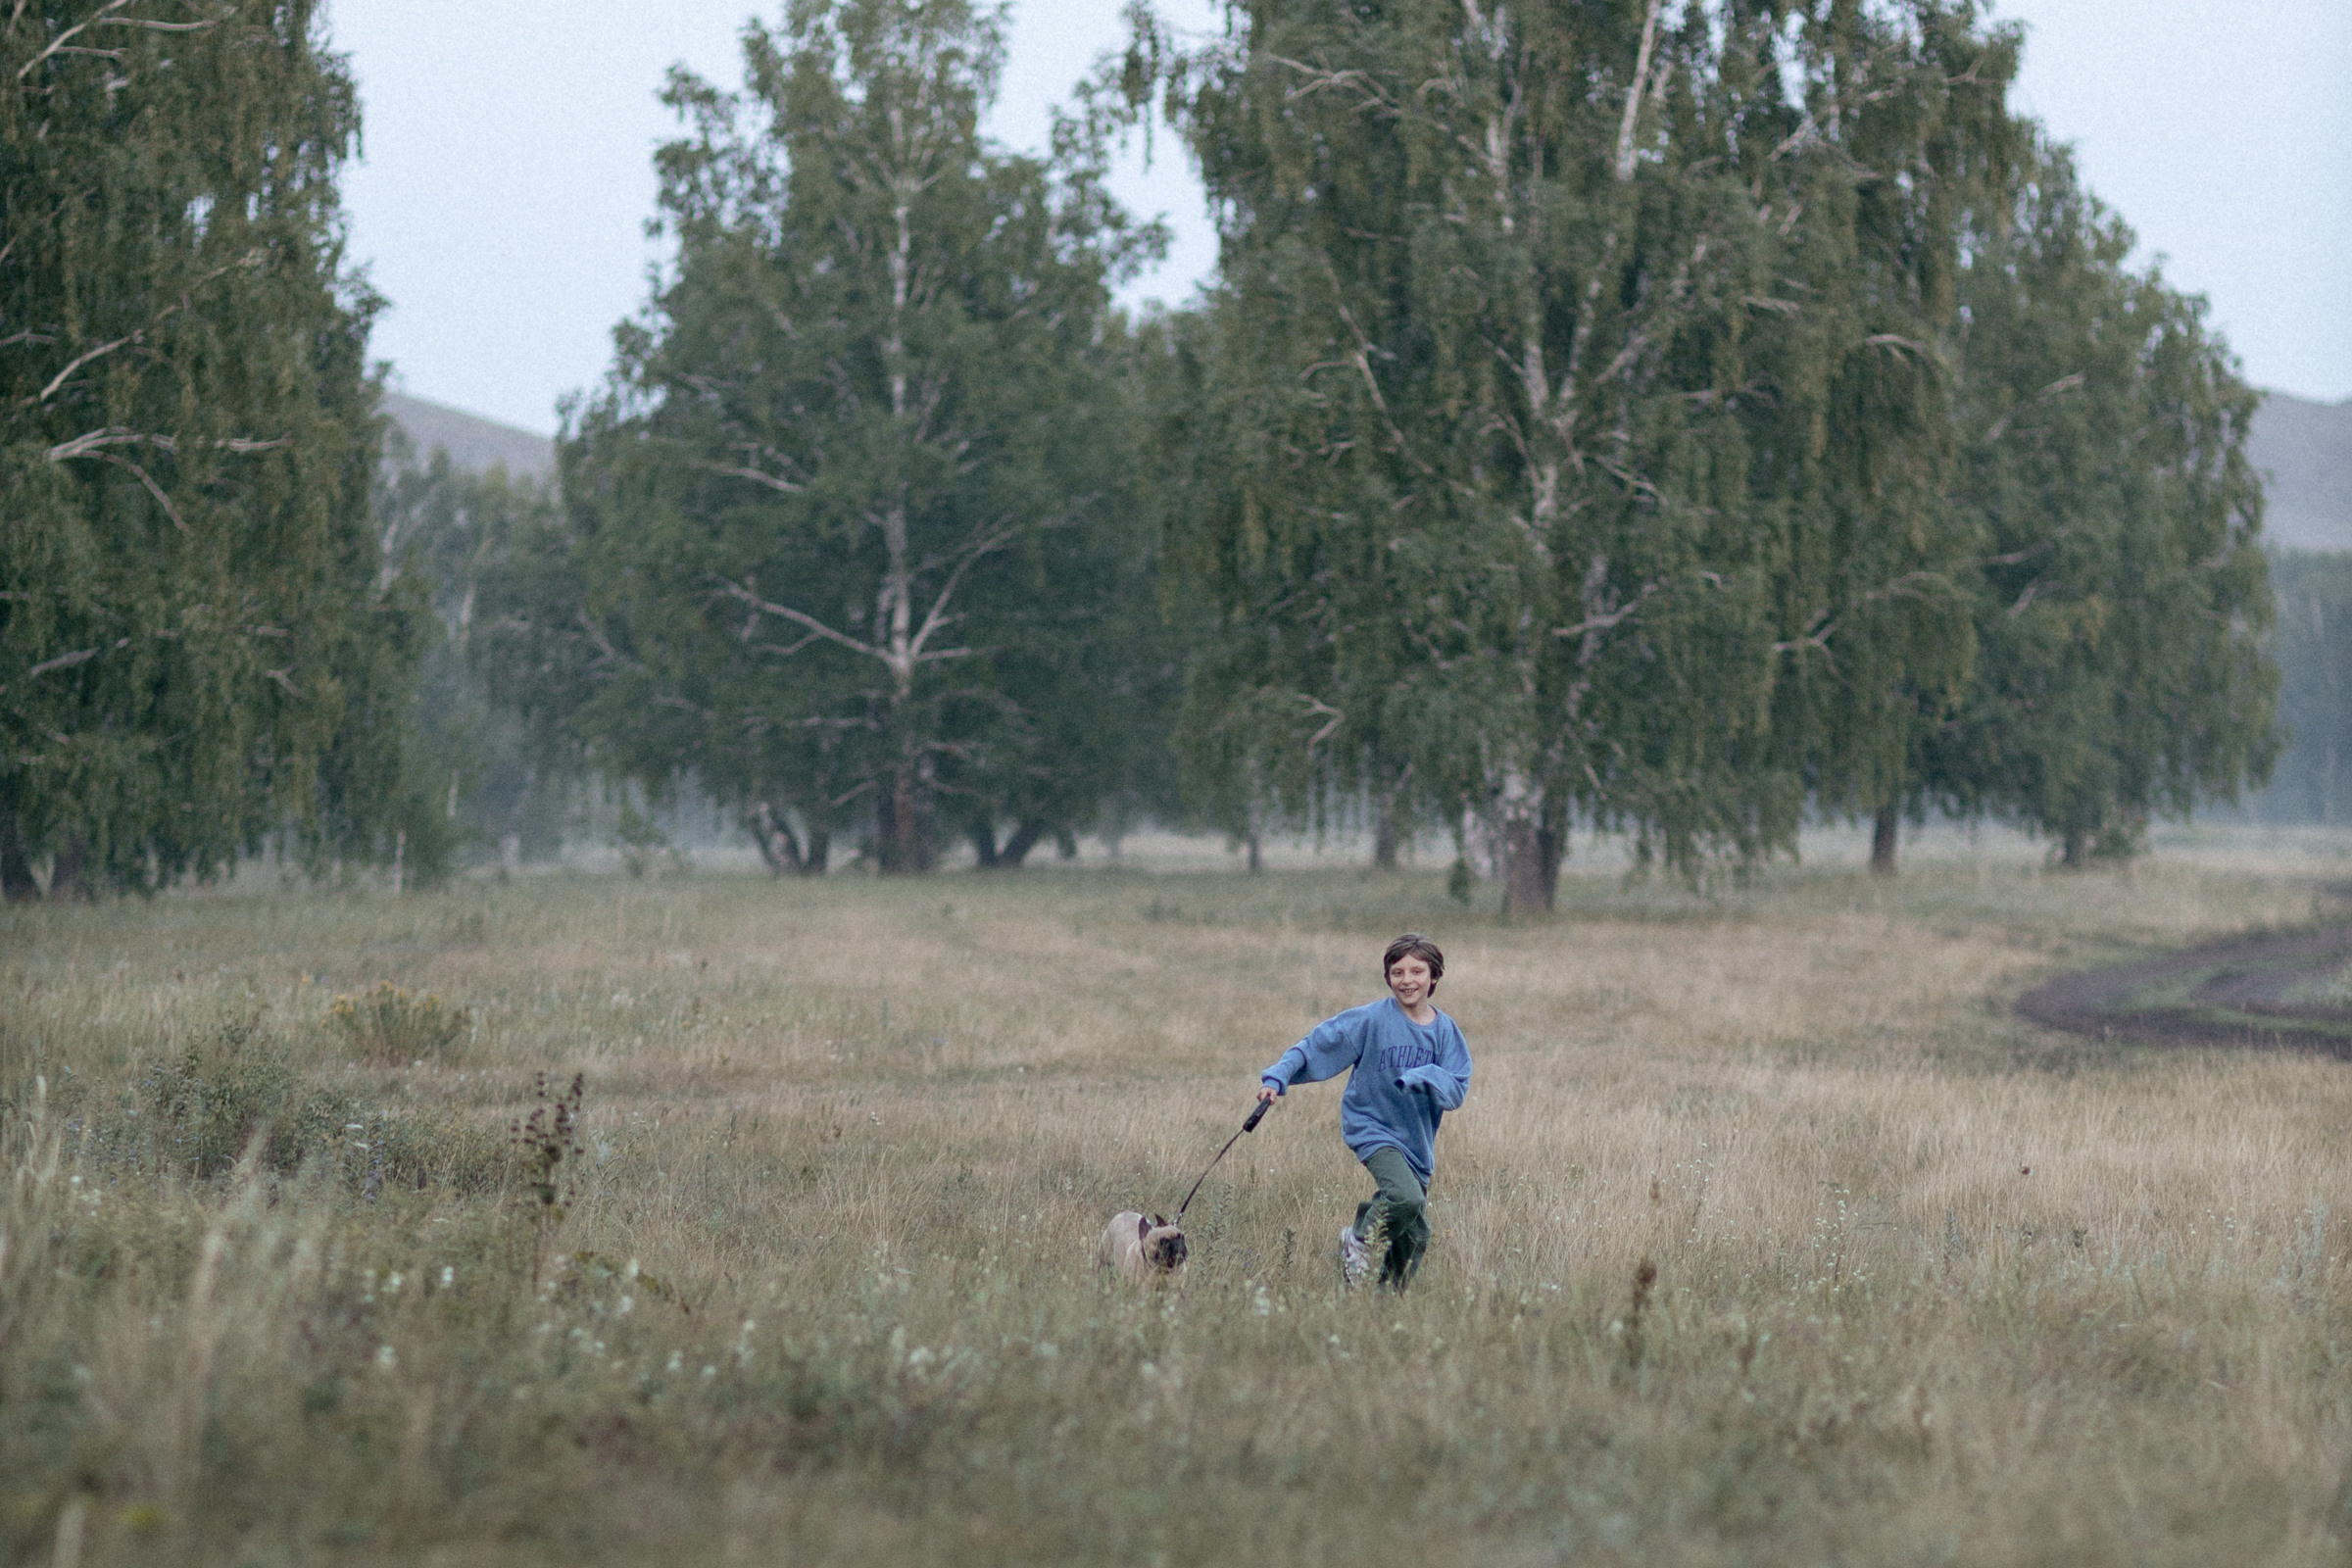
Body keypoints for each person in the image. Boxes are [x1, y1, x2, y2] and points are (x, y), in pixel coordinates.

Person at [1255, 933, 1471, 1291]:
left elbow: (1458, 1085)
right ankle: (1358, 1237)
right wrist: (1278, 1077)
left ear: (1434, 977)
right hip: (1371, 1126)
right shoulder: (1371, 1019)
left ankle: (1381, 1298)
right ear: (1388, 977)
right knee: (1405, 1197)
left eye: (1417, 971)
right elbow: (1318, 1045)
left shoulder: (1445, 1031)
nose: (1407, 980)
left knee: (1415, 1235)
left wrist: (1424, 1076)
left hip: (1416, 1140)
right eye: (1397, 972)